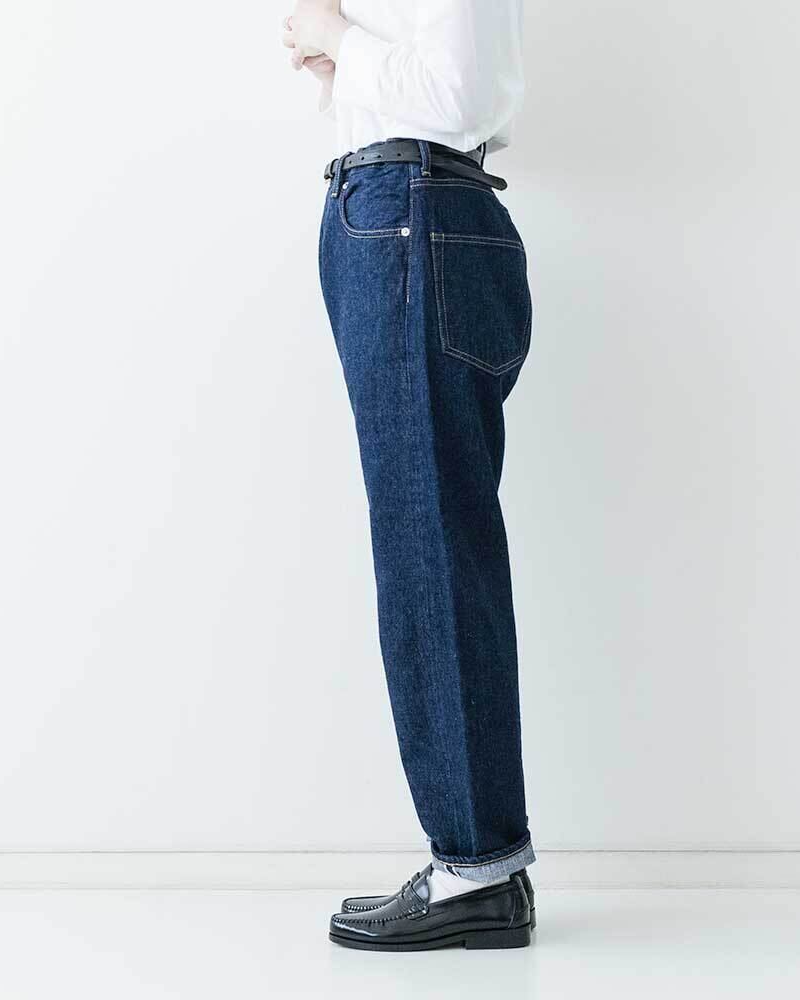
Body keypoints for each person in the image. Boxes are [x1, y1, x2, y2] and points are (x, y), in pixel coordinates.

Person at [282, 0, 536, 951]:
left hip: (410, 215)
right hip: (403, 213)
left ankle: (476, 869)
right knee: (434, 544)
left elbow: (459, 94)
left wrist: (337, 37)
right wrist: (341, 68)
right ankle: (480, 862)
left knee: (429, 551)